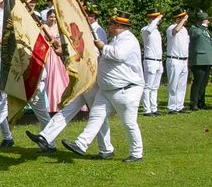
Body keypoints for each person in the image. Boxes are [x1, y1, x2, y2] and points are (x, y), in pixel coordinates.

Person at [55, 10, 145, 163]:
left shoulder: (129, 39)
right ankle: (81, 144)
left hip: (125, 90)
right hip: (108, 89)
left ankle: (137, 154)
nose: (108, 27)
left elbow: (119, 55)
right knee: (96, 116)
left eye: (110, 24)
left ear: (118, 25)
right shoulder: (116, 39)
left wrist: (103, 47)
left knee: (129, 123)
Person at [0, 17, 51, 148]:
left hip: (34, 83)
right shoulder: (24, 40)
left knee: (42, 115)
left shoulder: (40, 43)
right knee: (4, 108)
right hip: (22, 82)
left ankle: (50, 143)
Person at [41, 10, 68, 113]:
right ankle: (51, 102)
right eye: (51, 17)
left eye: (54, 17)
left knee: (61, 75)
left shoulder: (58, 27)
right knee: (51, 74)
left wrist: (59, 44)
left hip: (57, 53)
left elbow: (62, 40)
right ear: (47, 17)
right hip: (48, 53)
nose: (53, 19)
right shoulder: (44, 27)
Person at [166, 9, 190, 114]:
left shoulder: (185, 30)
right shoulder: (171, 27)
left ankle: (179, 105)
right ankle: (172, 106)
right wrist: (182, 21)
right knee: (173, 84)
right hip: (174, 59)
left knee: (182, 85)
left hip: (184, 60)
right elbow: (175, 31)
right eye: (182, 18)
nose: (185, 19)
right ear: (177, 19)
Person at [140, 8, 163, 117]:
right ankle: (147, 109)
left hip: (158, 61)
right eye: (153, 17)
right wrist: (157, 19)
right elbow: (149, 29)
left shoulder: (156, 31)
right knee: (148, 86)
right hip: (150, 60)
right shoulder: (145, 29)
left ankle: (154, 108)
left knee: (155, 87)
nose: (155, 19)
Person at [188, 11, 212, 111]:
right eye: (206, 20)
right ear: (201, 21)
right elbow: (195, 35)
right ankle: (193, 103)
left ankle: (201, 101)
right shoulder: (194, 29)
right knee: (197, 82)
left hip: (207, 59)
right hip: (199, 60)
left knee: (204, 83)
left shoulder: (206, 30)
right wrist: (202, 26)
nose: (208, 22)